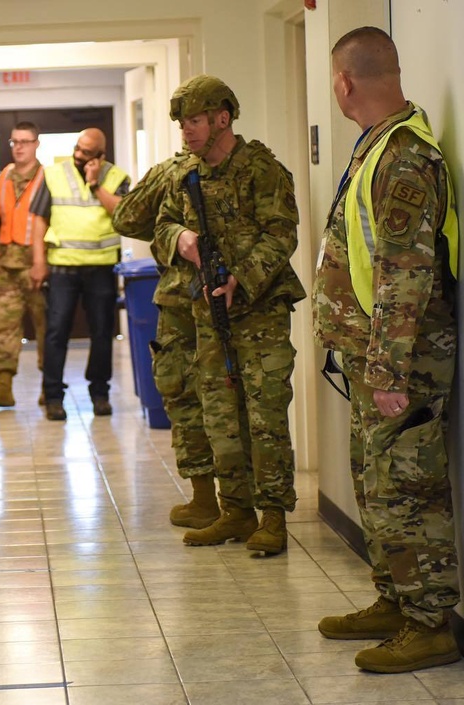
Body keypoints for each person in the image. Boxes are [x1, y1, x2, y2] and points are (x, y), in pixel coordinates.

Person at [313, 26, 461, 673]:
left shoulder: (403, 157)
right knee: (378, 487)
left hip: (400, 361)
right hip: (372, 354)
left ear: (345, 82)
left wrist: (389, 368)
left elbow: (406, 270)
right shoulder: (377, 147)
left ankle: (429, 623)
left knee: (409, 488)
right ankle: (394, 598)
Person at [155, 75, 305, 555]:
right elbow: (162, 226)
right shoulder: (188, 175)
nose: (187, 132)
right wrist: (182, 240)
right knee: (220, 415)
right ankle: (235, 511)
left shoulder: (261, 169)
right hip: (208, 312)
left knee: (263, 416)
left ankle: (273, 518)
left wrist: (243, 275)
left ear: (223, 118)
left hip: (258, 314)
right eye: (181, 125)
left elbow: (282, 233)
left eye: (194, 121)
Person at [112, 150, 220, 530]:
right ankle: (210, 499)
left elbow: (125, 217)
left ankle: (224, 501)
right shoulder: (173, 171)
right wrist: (169, 232)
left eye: (194, 120)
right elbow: (125, 216)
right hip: (191, 300)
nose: (188, 130)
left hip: (213, 298)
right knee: (187, 393)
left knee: (215, 396)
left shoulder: (177, 169)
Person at [34, 128, 129, 420]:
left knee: (102, 333)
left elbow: (123, 214)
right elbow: (38, 219)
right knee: (56, 332)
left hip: (101, 267)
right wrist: (38, 260)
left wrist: (95, 183)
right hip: (62, 266)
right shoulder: (53, 174)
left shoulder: (117, 178)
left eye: (86, 152)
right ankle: (53, 396)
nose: (78, 155)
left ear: (101, 155)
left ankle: (99, 394)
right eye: (77, 148)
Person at [0, 121, 48, 408]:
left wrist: (46, 261)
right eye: (14, 142)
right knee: (4, 327)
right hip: (6, 266)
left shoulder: (47, 178)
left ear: (36, 144)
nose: (19, 147)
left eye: (25, 141)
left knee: (46, 328)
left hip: (38, 267)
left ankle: (49, 385)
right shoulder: (2, 178)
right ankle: (3, 386)